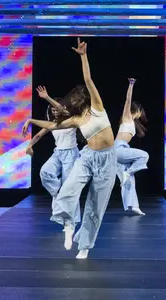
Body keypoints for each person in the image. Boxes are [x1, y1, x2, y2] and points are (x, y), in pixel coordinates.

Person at [45, 39, 118, 260]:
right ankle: (68, 224)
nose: (74, 97)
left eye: (77, 95)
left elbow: (87, 78)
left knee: (96, 205)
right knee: (67, 190)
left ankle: (84, 245)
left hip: (107, 159)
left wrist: (83, 56)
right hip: (87, 157)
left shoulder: (97, 107)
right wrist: (30, 121)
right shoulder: (76, 119)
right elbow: (52, 125)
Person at [22, 87, 81, 224]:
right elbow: (38, 135)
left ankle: (73, 218)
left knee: (69, 185)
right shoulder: (52, 124)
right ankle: (60, 193)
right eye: (52, 110)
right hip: (58, 153)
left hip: (71, 153)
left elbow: (62, 109)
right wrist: (29, 145)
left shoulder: (71, 119)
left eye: (57, 109)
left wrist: (47, 97)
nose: (55, 111)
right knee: (45, 173)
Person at [114, 78, 149, 216]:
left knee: (128, 180)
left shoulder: (132, 122)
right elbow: (128, 100)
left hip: (121, 150)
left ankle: (133, 206)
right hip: (119, 149)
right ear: (138, 110)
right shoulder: (127, 117)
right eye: (141, 111)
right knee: (144, 155)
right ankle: (127, 173)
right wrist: (131, 85)